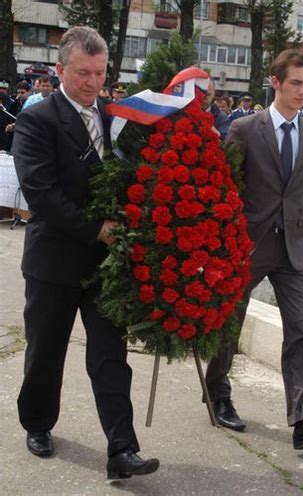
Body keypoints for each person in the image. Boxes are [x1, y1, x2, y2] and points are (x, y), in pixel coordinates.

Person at [13, 26, 159, 479]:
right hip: (54, 263)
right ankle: (37, 423)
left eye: (99, 73)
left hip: (104, 269)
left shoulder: (115, 119)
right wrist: (98, 229)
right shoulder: (37, 120)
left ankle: (122, 450)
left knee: (110, 357)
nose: (93, 83)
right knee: (45, 352)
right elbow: (42, 194)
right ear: (60, 71)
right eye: (82, 73)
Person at [205, 47, 303, 450]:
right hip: (247, 245)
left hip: (294, 248)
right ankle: (217, 393)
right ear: (276, 82)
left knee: (300, 330)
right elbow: (226, 189)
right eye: (296, 83)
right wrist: (220, 245)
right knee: (230, 324)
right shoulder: (247, 128)